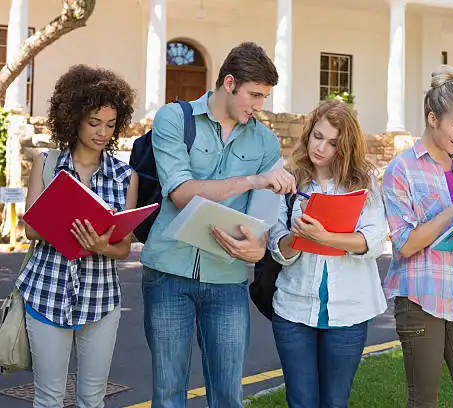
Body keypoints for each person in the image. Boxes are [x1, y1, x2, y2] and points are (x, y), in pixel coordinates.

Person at [139, 42, 296, 408]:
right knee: (168, 393)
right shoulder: (173, 119)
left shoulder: (266, 141)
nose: (260, 106)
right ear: (229, 82)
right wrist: (251, 180)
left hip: (226, 281)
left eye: (265, 97)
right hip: (167, 273)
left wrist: (258, 249)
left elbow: (262, 220)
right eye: (254, 95)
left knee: (228, 395)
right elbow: (180, 193)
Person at [17, 65, 137, 408]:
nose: (103, 133)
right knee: (49, 398)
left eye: (111, 125)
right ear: (73, 118)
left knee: (92, 400)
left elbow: (124, 247)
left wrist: (101, 245)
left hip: (100, 300)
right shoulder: (47, 163)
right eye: (94, 123)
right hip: (46, 292)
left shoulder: (125, 176)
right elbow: (30, 228)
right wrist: (67, 225)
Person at [382, 65, 453, 408]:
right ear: (433, 118)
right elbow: (404, 244)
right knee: (424, 400)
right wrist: (451, 212)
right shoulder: (401, 170)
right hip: (421, 298)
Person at [267, 99, 387, 408]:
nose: (321, 147)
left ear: (345, 148)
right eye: (317, 136)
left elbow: (373, 241)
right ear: (308, 133)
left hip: (349, 311)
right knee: (301, 401)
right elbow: (278, 250)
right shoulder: (288, 180)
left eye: (333, 143)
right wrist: (298, 235)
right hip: (293, 309)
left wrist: (326, 237)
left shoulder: (362, 184)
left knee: (334, 402)